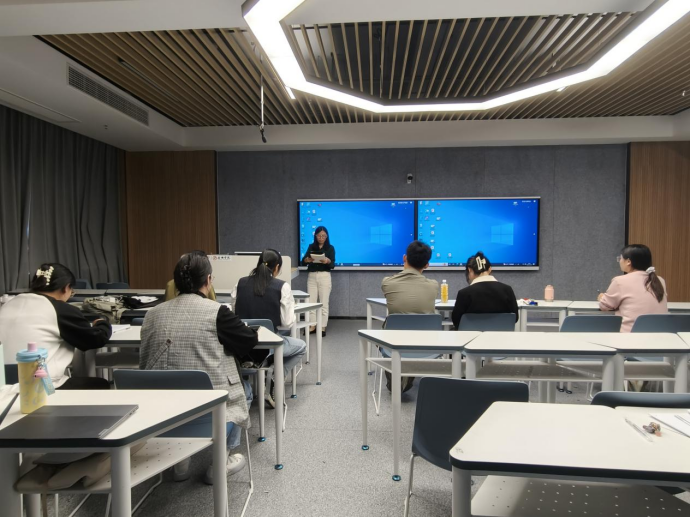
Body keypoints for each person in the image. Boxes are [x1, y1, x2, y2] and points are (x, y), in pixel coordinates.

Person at [140, 251, 258, 484]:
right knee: (244, 390)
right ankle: (220, 462)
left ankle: (179, 461)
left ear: (175, 282)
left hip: (158, 416)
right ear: (208, 280)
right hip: (207, 414)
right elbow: (248, 341)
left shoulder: (152, 315)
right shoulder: (217, 312)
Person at [0, 263, 112, 390]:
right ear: (66, 288)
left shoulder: (8, 305)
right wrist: (102, 323)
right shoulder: (59, 309)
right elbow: (96, 339)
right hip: (40, 387)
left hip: (3, 384)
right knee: (101, 384)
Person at [231, 249, 307, 408]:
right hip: (269, 346)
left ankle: (249, 377)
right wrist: (291, 310)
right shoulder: (282, 286)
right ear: (277, 267)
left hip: (243, 346)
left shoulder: (240, 283)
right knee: (301, 346)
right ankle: (274, 378)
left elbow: (234, 314)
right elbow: (287, 323)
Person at [381, 240, 440, 393]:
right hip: (426, 345)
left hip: (394, 343)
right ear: (426, 265)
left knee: (387, 324)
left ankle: (399, 375)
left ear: (404, 258)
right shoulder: (433, 285)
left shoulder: (387, 283)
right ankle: (409, 371)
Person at [598, 244, 668, 332]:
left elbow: (605, 306)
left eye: (620, 258)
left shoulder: (619, 281)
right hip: (660, 335)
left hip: (630, 336)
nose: (619, 261)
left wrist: (601, 298)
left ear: (628, 261)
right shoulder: (660, 280)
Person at [452, 252, 519, 329]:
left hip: (471, 335)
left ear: (469, 270)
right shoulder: (507, 290)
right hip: (501, 335)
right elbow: (515, 318)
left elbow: (456, 321)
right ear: (490, 269)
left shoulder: (464, 293)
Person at [302, 226, 335, 337]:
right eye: (319, 236)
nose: (321, 238)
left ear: (327, 236)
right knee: (311, 303)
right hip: (312, 276)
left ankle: (322, 326)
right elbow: (303, 261)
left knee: (324, 303)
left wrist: (327, 261)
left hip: (324, 276)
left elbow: (332, 264)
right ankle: (312, 325)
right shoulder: (311, 246)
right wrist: (307, 259)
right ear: (315, 236)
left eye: (323, 236)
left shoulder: (330, 248)